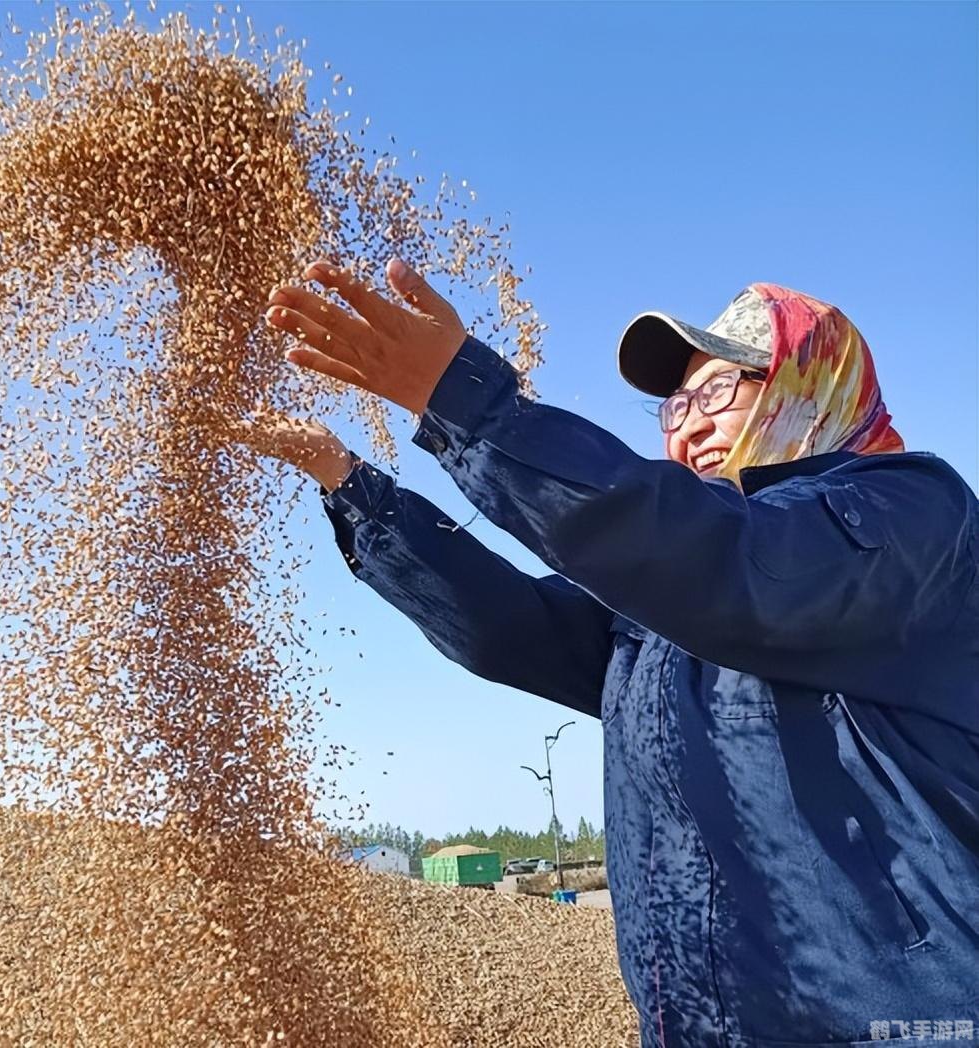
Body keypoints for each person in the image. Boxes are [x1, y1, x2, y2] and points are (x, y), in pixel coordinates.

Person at [243, 258, 979, 1047]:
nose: (689, 422)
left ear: (812, 380)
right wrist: (346, 480)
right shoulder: (669, 592)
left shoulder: (910, 512)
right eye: (676, 404)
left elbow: (723, 564)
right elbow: (511, 626)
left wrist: (464, 404)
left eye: (720, 391)